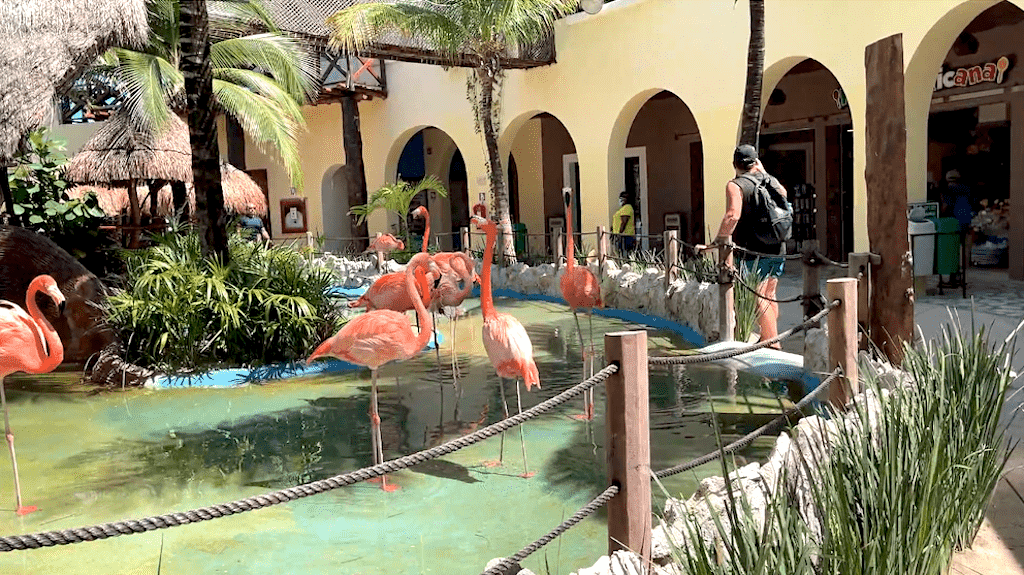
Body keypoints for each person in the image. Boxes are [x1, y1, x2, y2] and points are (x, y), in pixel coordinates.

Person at [713, 144, 789, 348]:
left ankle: (773, 344)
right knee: (769, 293)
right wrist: (763, 172)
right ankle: (769, 337)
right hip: (777, 246)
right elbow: (783, 194)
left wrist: (719, 240)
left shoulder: (735, 185)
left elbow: (732, 215)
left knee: (758, 296)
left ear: (734, 164)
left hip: (752, 250)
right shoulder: (770, 180)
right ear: (756, 162)